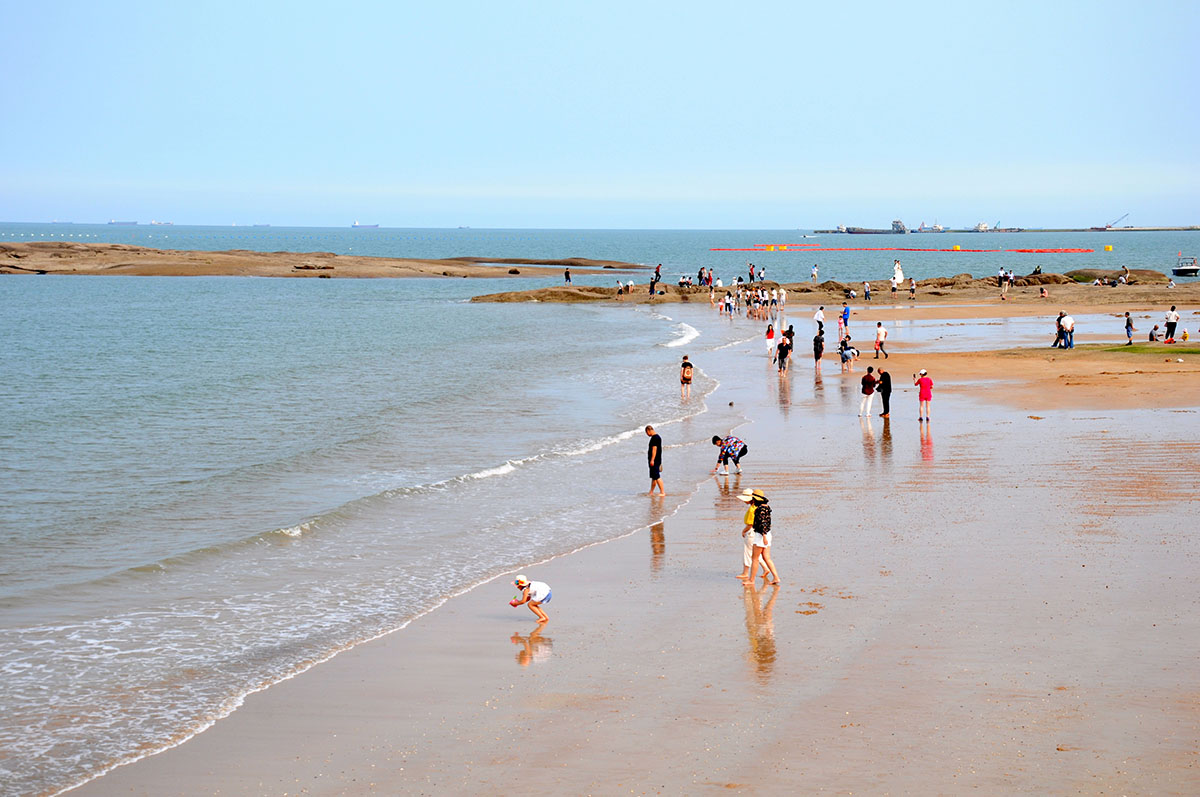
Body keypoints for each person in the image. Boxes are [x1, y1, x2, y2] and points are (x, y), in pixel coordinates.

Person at [745, 489, 779, 585]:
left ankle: (751, 580)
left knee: (755, 558)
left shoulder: (760, 509)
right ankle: (776, 577)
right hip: (768, 534)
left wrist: (763, 536)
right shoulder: (767, 507)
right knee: (766, 557)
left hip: (761, 535)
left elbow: (763, 523)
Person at [735, 488, 758, 581]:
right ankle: (766, 568)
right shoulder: (756, 507)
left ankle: (745, 572)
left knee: (748, 552)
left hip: (751, 532)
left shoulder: (752, 509)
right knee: (757, 554)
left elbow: (750, 524)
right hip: (756, 532)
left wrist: (743, 531)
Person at [645, 425, 664, 495]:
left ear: (648, 430)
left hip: (655, 460)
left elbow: (654, 449)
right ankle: (651, 492)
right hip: (658, 459)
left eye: (646, 433)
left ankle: (662, 492)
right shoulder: (657, 437)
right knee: (654, 477)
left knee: (657, 476)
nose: (647, 435)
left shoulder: (654, 438)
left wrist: (652, 460)